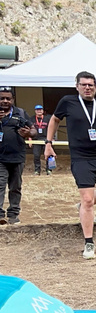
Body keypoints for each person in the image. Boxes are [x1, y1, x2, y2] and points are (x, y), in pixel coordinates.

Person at [45, 71, 96, 259]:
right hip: (81, 157)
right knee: (88, 200)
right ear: (77, 86)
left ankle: (81, 206)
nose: (87, 87)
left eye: (91, 85)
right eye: (84, 84)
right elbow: (55, 120)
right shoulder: (67, 102)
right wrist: (49, 143)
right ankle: (89, 243)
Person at [0, 86, 35, 226]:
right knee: (0, 185)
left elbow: (34, 130)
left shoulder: (20, 113)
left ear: (13, 100)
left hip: (17, 157)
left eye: (8, 98)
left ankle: (13, 215)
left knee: (15, 187)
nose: (5, 101)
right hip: (0, 158)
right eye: (2, 98)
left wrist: (29, 134)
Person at [31, 105, 50, 175]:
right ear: (35, 111)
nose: (39, 111)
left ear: (43, 111)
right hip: (36, 139)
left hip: (46, 139)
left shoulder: (48, 118)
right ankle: (37, 170)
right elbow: (29, 129)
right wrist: (30, 139)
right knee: (36, 155)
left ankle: (49, 170)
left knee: (48, 155)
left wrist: (52, 138)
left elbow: (52, 128)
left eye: (40, 109)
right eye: (37, 110)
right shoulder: (32, 119)